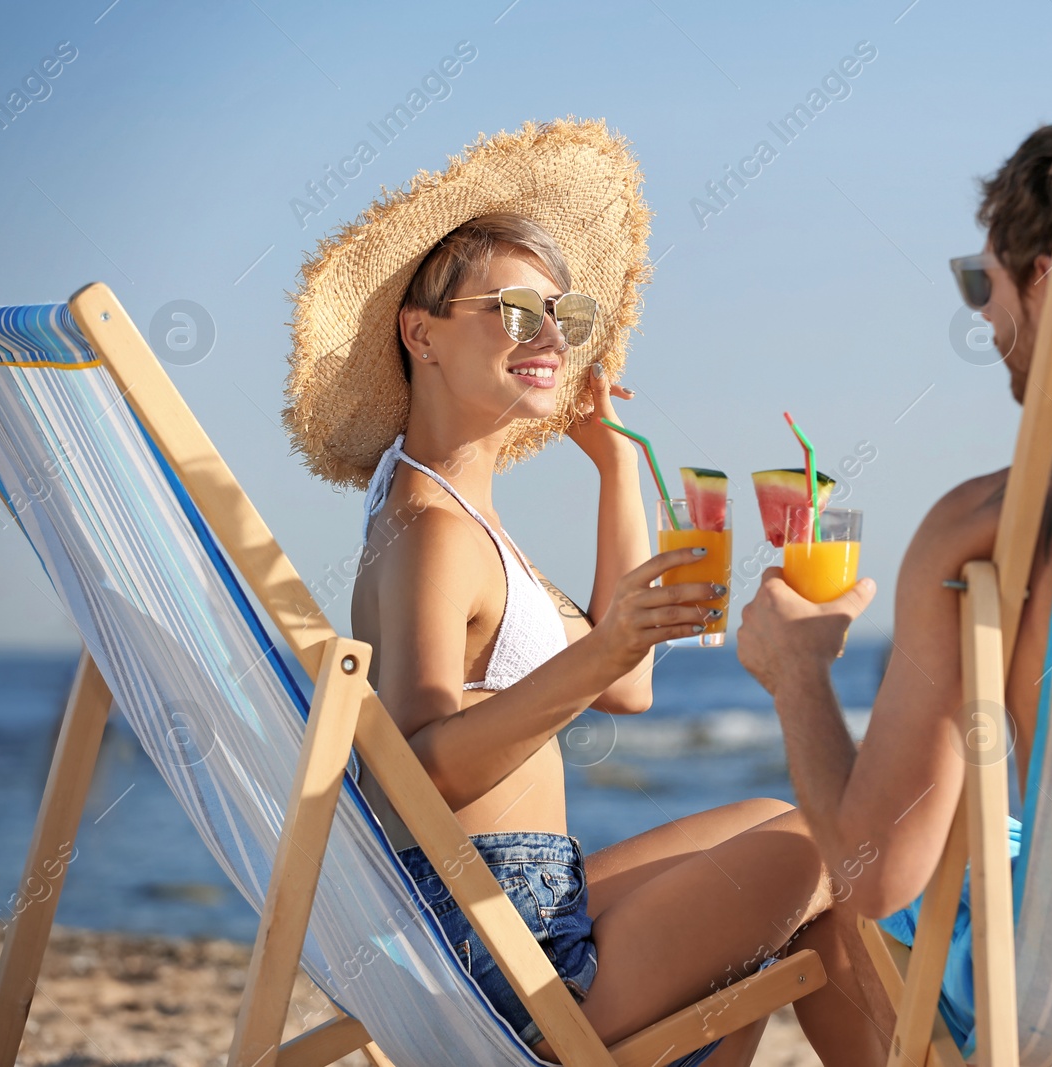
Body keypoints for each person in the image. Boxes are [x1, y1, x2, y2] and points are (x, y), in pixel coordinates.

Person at [282, 119, 889, 1066]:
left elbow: (628, 685)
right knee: (833, 849)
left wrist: (613, 469)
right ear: (422, 332)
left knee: (785, 821)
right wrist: (608, 647)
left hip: (513, 912)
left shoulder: (457, 515)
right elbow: (429, 767)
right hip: (512, 964)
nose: (550, 336)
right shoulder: (433, 533)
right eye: (515, 310)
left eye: (562, 316)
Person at [733, 97, 1052, 1056]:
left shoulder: (987, 528)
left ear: (1043, 278)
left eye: (979, 282)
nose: (987, 317)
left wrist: (795, 673)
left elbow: (877, 871)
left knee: (831, 913)